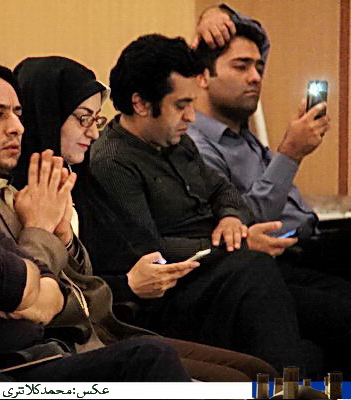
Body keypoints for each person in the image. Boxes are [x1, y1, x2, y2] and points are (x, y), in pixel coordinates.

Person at [0, 57, 191, 382]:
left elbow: (45, 287)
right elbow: (29, 295)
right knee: (152, 358)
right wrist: (38, 237)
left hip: (51, 347)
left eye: (17, 113)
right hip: (3, 368)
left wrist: (52, 256)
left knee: (175, 360)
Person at [0, 56, 276, 381]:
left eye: (96, 120)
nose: (93, 132)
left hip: (119, 315)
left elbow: (219, 191)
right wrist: (127, 284)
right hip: (86, 331)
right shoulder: (22, 194)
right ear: (48, 115)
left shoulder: (82, 178)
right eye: (83, 119)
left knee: (260, 367)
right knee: (248, 290)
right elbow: (46, 292)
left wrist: (230, 220)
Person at [84, 33, 323, 375]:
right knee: (257, 272)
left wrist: (230, 219)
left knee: (329, 304)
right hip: (174, 291)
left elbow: (223, 190)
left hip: (226, 269)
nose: (191, 117)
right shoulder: (113, 160)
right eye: (180, 105)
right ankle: (286, 390)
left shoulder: (176, 142)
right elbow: (148, 248)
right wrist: (235, 244)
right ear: (141, 104)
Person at [188, 9, 351, 374]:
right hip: (267, 263)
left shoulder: (241, 134)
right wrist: (290, 154)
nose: (256, 77)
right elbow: (243, 224)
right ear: (203, 76)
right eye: (241, 66)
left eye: (259, 67)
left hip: (310, 244)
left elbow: (260, 38)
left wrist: (219, 13)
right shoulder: (197, 144)